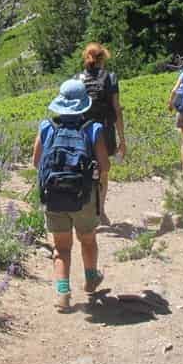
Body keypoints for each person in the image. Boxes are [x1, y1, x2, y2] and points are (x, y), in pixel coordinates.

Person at [32, 79, 111, 311]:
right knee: (87, 239)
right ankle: (91, 278)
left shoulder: (46, 127)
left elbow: (36, 162)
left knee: (61, 248)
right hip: (84, 197)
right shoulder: (93, 129)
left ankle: (63, 295)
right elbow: (104, 166)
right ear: (83, 105)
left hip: (54, 197)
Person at [77, 42, 125, 223]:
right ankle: (101, 211)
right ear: (103, 58)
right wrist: (122, 139)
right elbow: (117, 109)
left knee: (83, 169)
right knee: (104, 170)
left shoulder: (78, 78)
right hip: (104, 130)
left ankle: (85, 208)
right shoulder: (110, 78)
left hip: (83, 131)